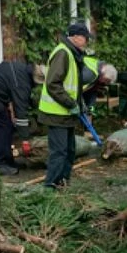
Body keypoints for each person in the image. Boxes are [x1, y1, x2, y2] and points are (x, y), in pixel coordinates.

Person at [38, 21, 92, 189]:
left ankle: (63, 184)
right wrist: (71, 103)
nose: (87, 42)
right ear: (75, 38)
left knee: (69, 151)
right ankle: (50, 187)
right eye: (85, 38)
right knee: (59, 152)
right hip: (56, 113)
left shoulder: (72, 53)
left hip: (66, 113)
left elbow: (72, 83)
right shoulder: (63, 53)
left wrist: (79, 102)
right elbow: (53, 84)